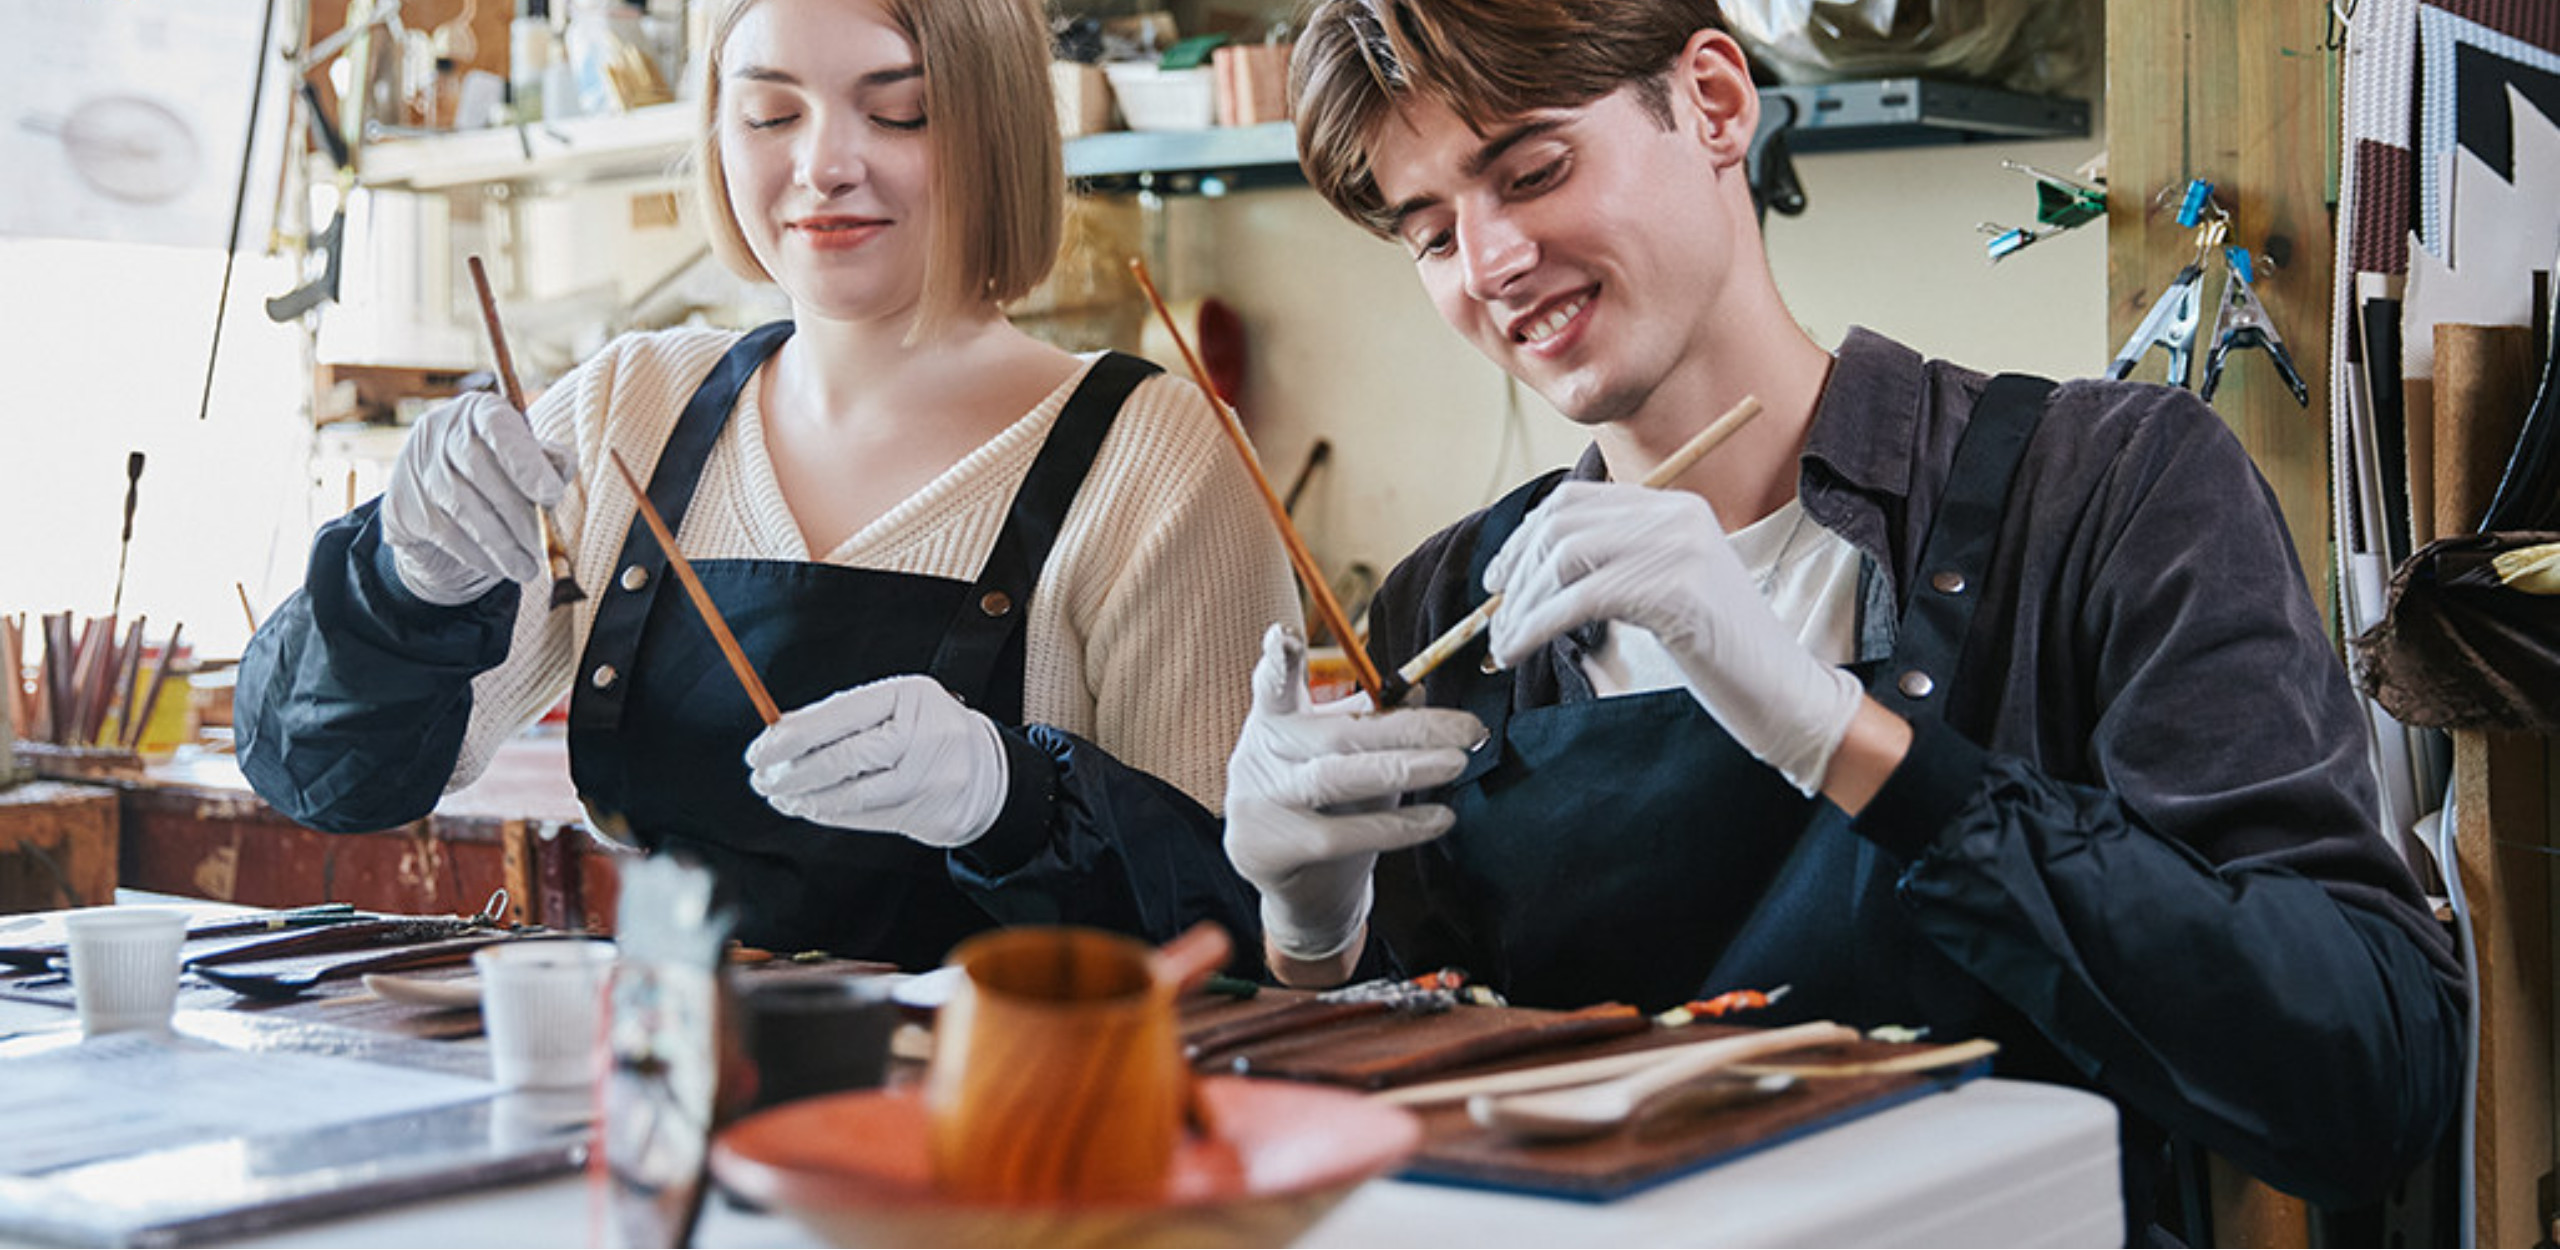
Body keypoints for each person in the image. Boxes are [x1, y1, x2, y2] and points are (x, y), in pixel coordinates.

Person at [1223, 0, 2464, 1233]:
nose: (1489, 265)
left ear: (1714, 101)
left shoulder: (2105, 491)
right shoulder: (1449, 604)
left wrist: (1833, 730)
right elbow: (1416, 1169)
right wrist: (1315, 943)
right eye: (1431, 235)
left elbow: (2367, 1077)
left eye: (1533, 169)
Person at [236, 0, 1295, 970]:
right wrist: (400, 580)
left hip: (1000, 1130)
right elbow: (328, 779)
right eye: (767, 113)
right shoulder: (627, 409)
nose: (824, 163)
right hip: (670, 1091)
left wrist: (1010, 798)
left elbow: (1238, 935)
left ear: (999, 128)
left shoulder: (1157, 458)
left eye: (901, 113)